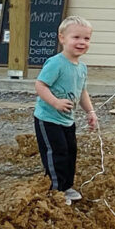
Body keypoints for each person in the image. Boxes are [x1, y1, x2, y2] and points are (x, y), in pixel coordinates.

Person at [33, 15, 98, 205]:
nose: (81, 42)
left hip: (67, 120)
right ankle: (56, 190)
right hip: (48, 118)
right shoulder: (56, 63)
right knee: (57, 152)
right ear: (62, 38)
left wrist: (90, 112)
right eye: (76, 37)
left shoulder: (82, 67)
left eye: (86, 39)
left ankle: (67, 185)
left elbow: (82, 91)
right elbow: (40, 85)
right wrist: (55, 102)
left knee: (70, 151)